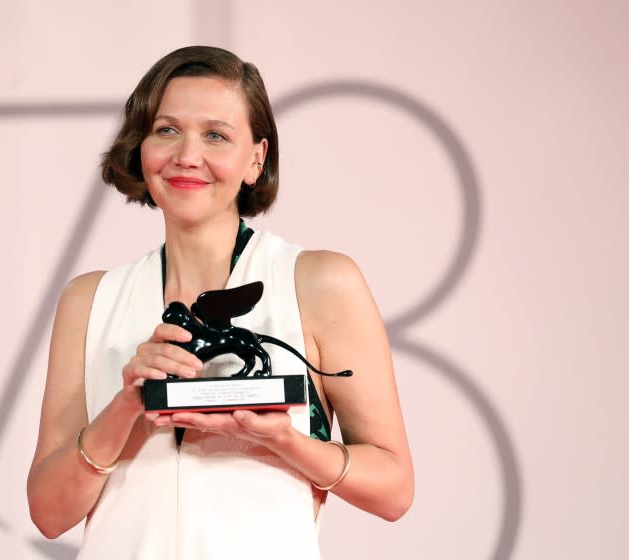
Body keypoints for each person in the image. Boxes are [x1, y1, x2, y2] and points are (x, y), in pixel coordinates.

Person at [27, 46, 413, 559]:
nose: (187, 155)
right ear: (140, 146)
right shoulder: (90, 299)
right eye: (166, 130)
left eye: (216, 134)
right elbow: (49, 515)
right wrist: (126, 409)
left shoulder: (320, 282)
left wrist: (286, 441)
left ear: (257, 157)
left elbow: (394, 490)